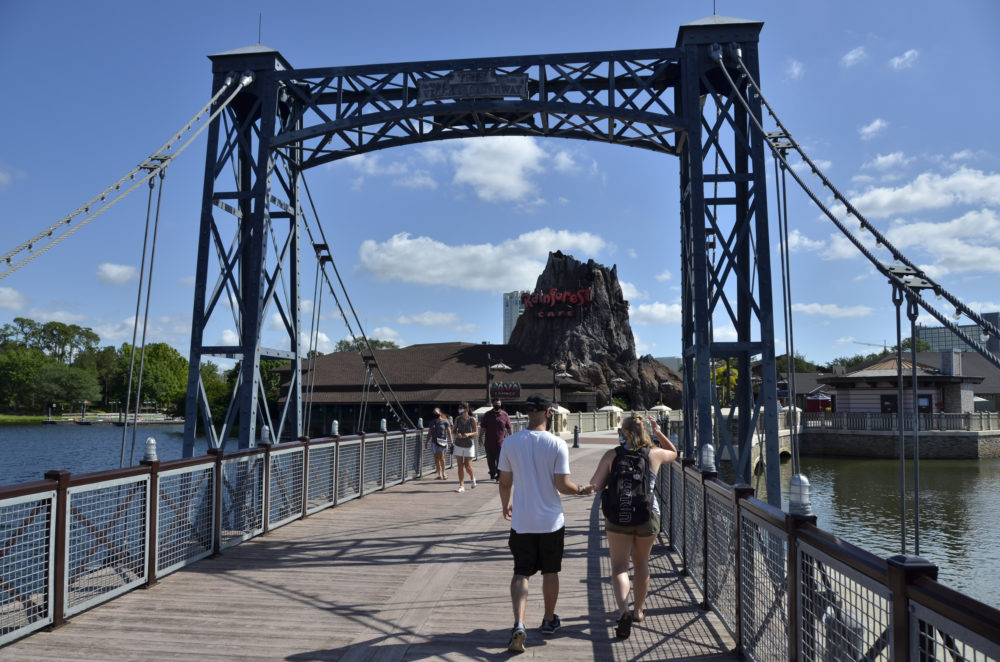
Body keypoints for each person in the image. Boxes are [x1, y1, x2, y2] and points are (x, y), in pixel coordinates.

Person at [498, 394, 593, 654]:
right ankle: (549, 620)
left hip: (522, 521)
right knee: (550, 572)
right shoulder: (556, 444)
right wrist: (583, 489)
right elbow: (563, 486)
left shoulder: (510, 443)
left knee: (521, 572)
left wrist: (505, 503)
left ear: (528, 413)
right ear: (548, 412)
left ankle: (519, 622)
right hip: (551, 521)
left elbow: (505, 482)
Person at [587, 413, 677, 639]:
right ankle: (638, 611)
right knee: (641, 564)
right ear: (644, 432)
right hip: (648, 516)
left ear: (623, 432)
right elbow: (674, 453)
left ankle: (622, 611)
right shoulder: (654, 454)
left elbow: (595, 486)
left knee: (619, 567)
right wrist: (658, 432)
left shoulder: (612, 455)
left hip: (618, 517)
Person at [479, 397, 512, 482]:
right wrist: (480, 438)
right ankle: (492, 474)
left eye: (499, 404)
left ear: (501, 405)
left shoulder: (505, 415)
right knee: (490, 461)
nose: (497, 405)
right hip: (489, 442)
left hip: (501, 443)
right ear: (493, 405)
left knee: (500, 460)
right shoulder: (487, 415)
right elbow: (483, 427)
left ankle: (499, 475)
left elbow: (509, 428)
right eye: (496, 404)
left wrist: (512, 439)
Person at [452, 402, 478, 492]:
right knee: (460, 466)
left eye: (461, 408)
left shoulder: (472, 420)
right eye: (459, 408)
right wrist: (457, 434)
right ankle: (461, 486)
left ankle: (472, 478)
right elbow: (454, 430)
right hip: (458, 444)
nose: (459, 409)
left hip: (469, 444)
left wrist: (468, 434)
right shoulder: (457, 419)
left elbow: (476, 432)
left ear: (466, 409)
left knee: (467, 466)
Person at [427, 407, 453, 480]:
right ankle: (439, 474)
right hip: (434, 442)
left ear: (440, 413)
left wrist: (451, 442)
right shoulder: (432, 422)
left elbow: (449, 432)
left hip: (442, 441)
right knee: (436, 459)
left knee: (442, 458)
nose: (435, 414)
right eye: (434, 413)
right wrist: (427, 442)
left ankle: (444, 472)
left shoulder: (445, 421)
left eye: (437, 413)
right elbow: (429, 433)